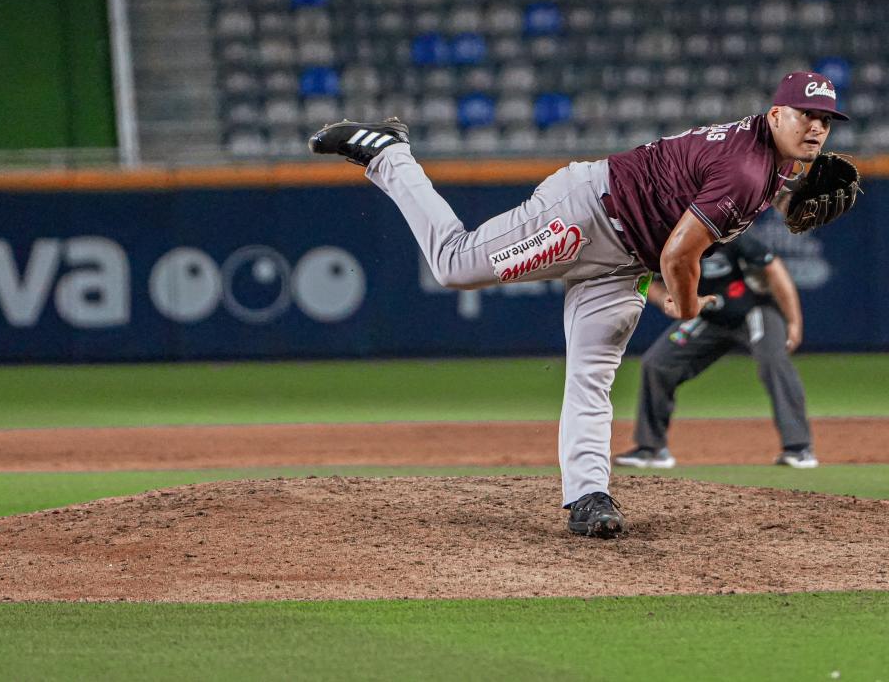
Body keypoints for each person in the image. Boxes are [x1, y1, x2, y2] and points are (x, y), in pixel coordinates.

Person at [309, 71, 851, 539]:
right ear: (776, 113)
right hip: (585, 216)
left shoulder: (772, 157)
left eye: (826, 119)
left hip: (622, 262)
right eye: (806, 115)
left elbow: (715, 204)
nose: (817, 127)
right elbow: (680, 253)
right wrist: (686, 306)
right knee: (454, 264)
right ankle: (388, 155)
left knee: (592, 375)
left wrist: (786, 193)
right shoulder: (746, 169)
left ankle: (589, 497)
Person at [613, 228, 816, 472]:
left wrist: (793, 322)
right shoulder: (667, 242)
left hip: (754, 309)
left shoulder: (725, 234)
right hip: (708, 316)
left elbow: (774, 270)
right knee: (657, 363)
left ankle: (799, 448)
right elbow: (652, 283)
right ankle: (651, 449)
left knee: (773, 360)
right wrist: (668, 300)